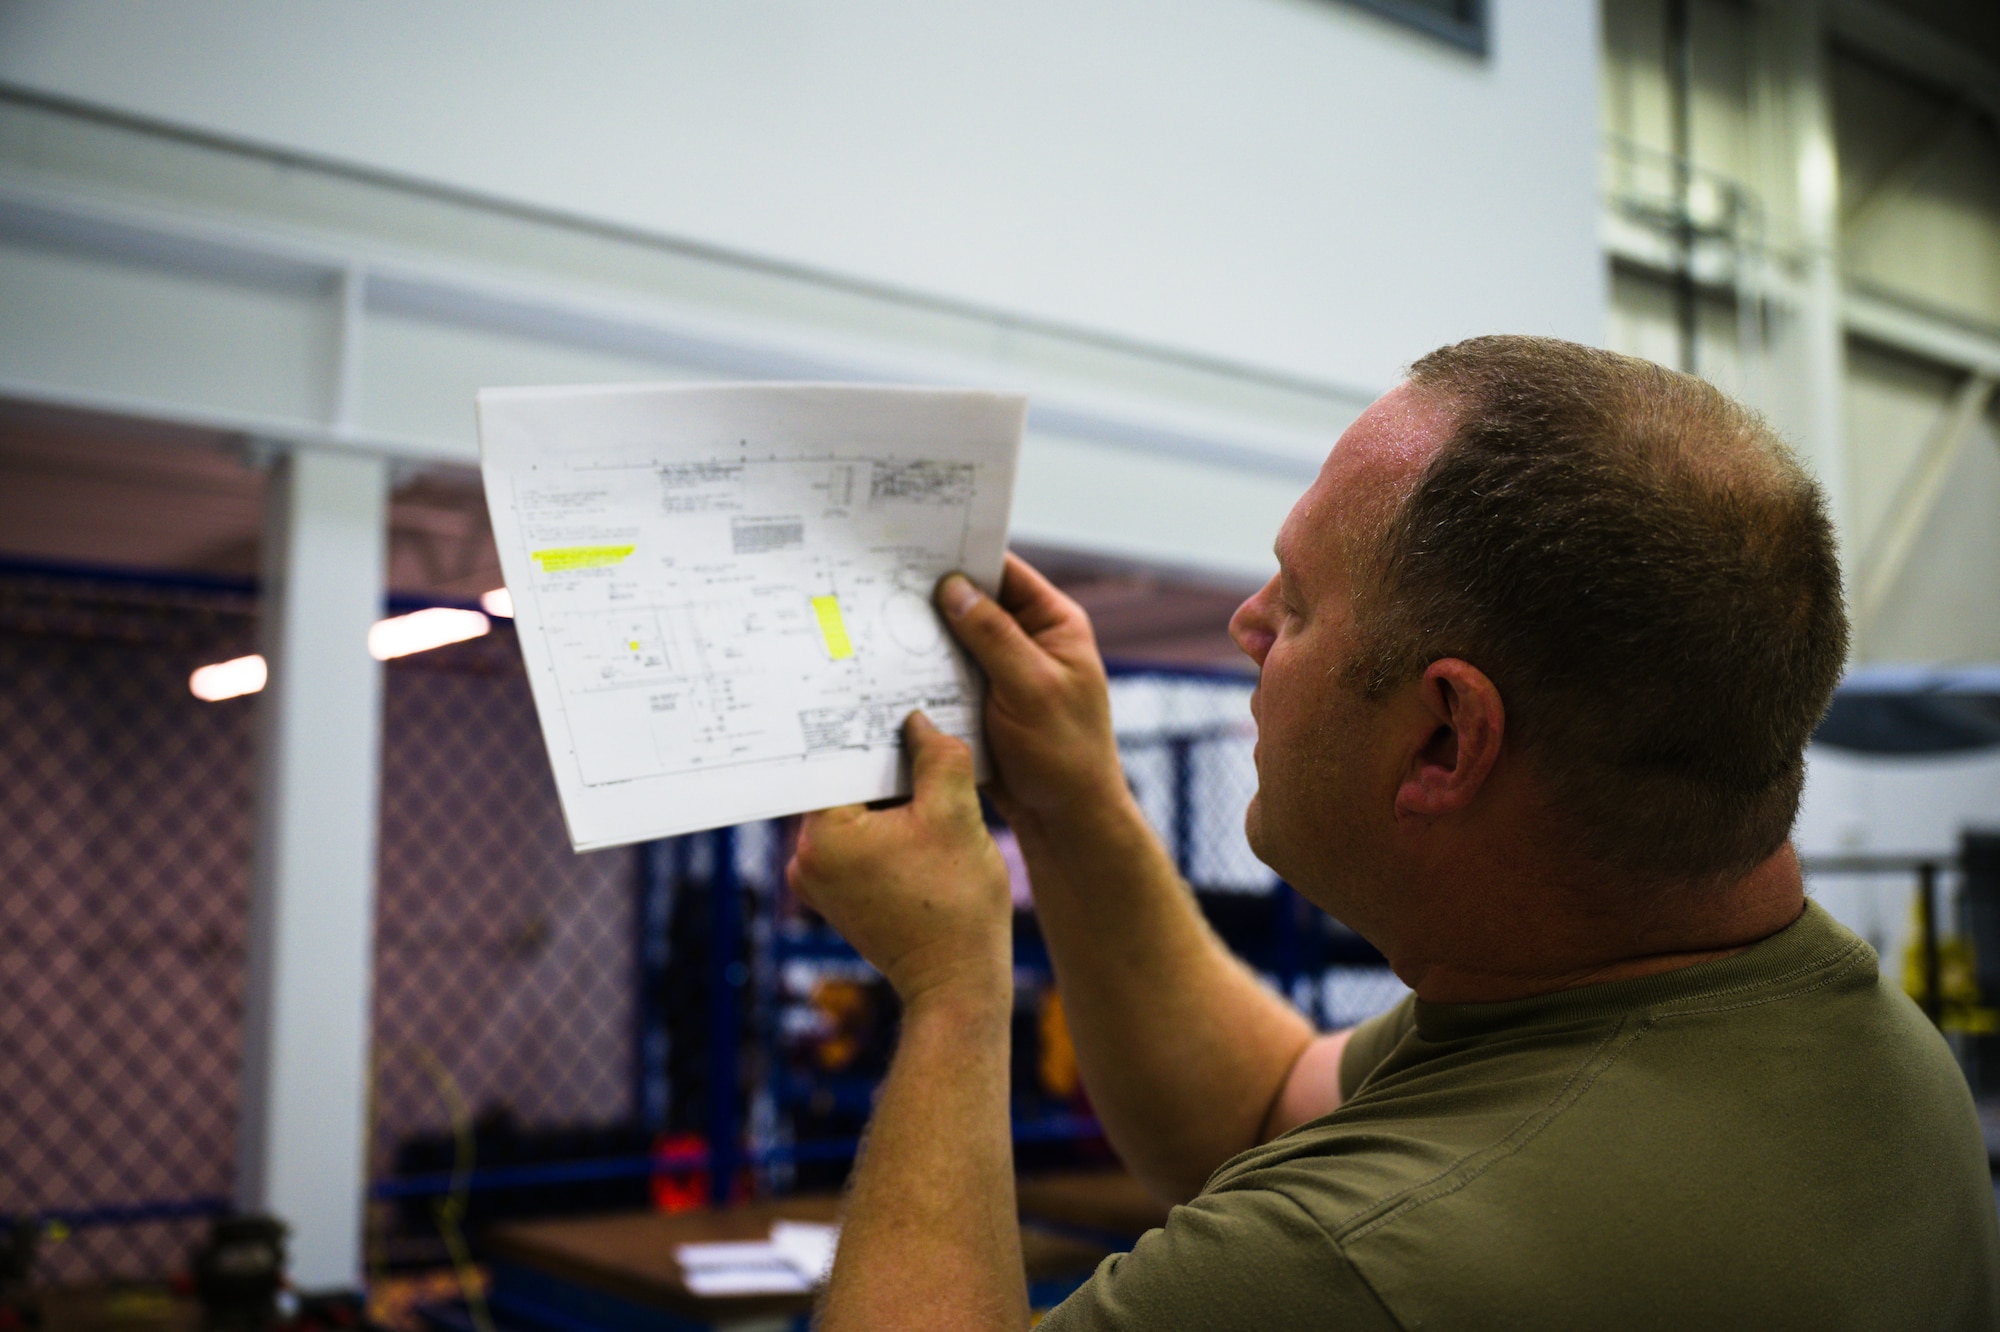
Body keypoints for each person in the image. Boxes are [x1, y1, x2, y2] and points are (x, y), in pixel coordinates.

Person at [785, 336, 2000, 1330]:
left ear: (1442, 739)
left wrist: (948, 986)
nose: (1246, 621)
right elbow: (1258, 1103)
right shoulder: (1874, 1056)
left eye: (1298, 603)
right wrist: (1073, 803)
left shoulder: (1347, 1264)